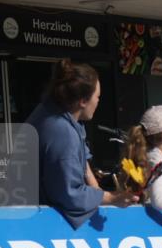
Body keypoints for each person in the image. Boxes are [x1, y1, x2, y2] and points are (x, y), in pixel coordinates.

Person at [25, 59, 136, 228]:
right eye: (97, 97)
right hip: (40, 224)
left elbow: (83, 164)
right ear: (83, 101)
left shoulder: (52, 111)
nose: (98, 101)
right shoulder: (62, 132)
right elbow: (70, 194)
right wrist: (112, 198)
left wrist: (98, 192)